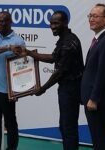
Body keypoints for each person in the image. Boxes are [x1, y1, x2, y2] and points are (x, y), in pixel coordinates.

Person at [14, 11, 84, 150]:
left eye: (56, 23)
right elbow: (53, 58)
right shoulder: (66, 39)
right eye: (51, 23)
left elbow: (59, 72)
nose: (52, 26)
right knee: (65, 126)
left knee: (68, 128)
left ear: (65, 23)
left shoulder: (69, 43)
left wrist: (43, 88)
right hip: (67, 88)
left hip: (71, 89)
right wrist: (28, 53)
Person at [0, 11, 25, 150]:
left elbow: (20, 69)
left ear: (10, 22)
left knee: (10, 123)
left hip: (7, 91)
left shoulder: (19, 41)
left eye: (2, 21)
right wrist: (7, 47)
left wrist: (17, 91)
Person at [80, 3, 105, 150]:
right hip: (91, 99)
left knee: (101, 138)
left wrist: (94, 98)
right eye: (90, 16)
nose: (91, 19)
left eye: (95, 16)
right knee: (97, 137)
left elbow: (103, 72)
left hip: (97, 101)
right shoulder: (99, 39)